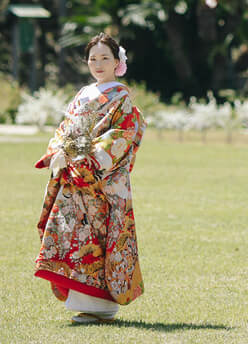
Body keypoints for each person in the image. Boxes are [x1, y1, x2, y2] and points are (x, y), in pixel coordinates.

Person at [33, 32, 146, 324]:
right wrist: (60, 150)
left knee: (96, 236)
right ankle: (81, 300)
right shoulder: (83, 94)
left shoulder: (121, 97)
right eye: (93, 58)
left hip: (98, 179)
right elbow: (65, 128)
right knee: (72, 234)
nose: (98, 63)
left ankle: (101, 306)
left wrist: (90, 158)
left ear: (117, 62)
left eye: (105, 58)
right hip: (72, 177)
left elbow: (122, 135)